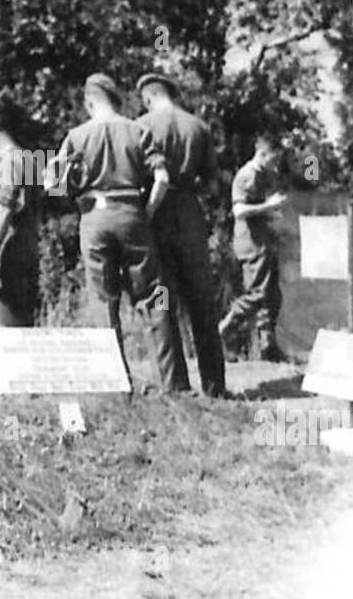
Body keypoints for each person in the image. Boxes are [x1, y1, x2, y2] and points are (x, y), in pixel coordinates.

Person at [46, 73, 182, 394]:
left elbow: (51, 185)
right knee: (153, 295)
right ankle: (173, 383)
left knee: (103, 300)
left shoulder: (76, 136)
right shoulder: (138, 130)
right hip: (132, 214)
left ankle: (115, 386)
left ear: (89, 101)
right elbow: (161, 178)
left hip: (94, 217)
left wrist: (70, 190)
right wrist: (145, 212)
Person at [136, 72, 226, 398]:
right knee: (201, 301)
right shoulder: (199, 126)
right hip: (190, 214)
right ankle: (215, 385)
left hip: (155, 213)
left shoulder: (141, 126)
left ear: (148, 96)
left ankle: (174, 384)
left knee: (161, 298)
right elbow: (214, 186)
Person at [219, 131, 289, 362]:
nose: (276, 164)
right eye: (273, 159)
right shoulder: (247, 175)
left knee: (272, 295)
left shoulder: (263, 174)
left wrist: (271, 214)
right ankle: (224, 328)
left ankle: (268, 346)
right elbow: (239, 211)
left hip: (262, 240)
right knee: (258, 293)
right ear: (262, 154)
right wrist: (268, 206)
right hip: (251, 242)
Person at [0, 97, 43, 329]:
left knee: (10, 329)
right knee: (25, 325)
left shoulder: (9, 162)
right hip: (29, 246)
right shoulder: (29, 159)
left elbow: (5, 209)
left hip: (10, 251)